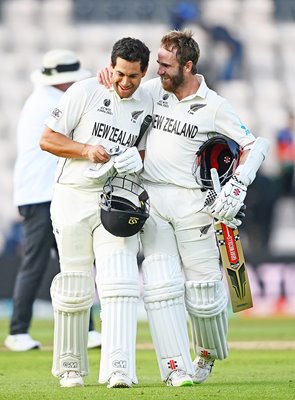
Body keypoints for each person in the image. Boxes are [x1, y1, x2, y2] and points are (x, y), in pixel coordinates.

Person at [98, 30, 269, 385]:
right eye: (158, 64)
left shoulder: (214, 105)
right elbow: (122, 90)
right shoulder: (152, 93)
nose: (156, 71)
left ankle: (206, 353)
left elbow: (255, 144)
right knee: (161, 286)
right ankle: (175, 365)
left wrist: (237, 185)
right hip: (155, 201)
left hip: (195, 205)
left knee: (204, 292)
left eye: (165, 65)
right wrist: (105, 76)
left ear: (187, 66)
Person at [39, 37, 153, 389]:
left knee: (119, 281)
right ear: (111, 66)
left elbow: (149, 152)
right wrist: (86, 149)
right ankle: (71, 366)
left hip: (114, 201)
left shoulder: (149, 99)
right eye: (120, 73)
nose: (125, 82)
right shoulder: (85, 90)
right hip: (73, 197)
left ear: (143, 72)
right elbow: (47, 139)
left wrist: (139, 159)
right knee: (74, 284)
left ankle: (119, 366)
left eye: (133, 76)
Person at [4, 49, 101, 352]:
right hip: (41, 195)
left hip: (46, 193)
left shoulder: (45, 99)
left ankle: (84, 329)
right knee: (42, 262)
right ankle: (18, 331)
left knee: (70, 261)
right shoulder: (49, 103)